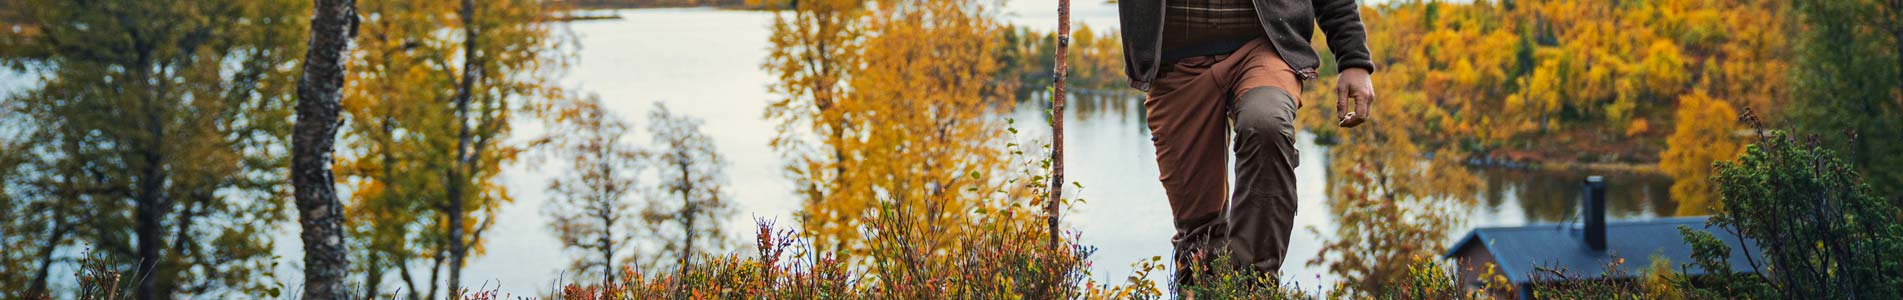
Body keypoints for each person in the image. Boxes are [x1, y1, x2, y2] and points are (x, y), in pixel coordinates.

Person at [1117, 0, 1377, 289]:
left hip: (1265, 47)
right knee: (1200, 237)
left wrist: (1353, 59)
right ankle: (1205, 289)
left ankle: (1254, 288)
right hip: (1175, 62)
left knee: (1267, 125)